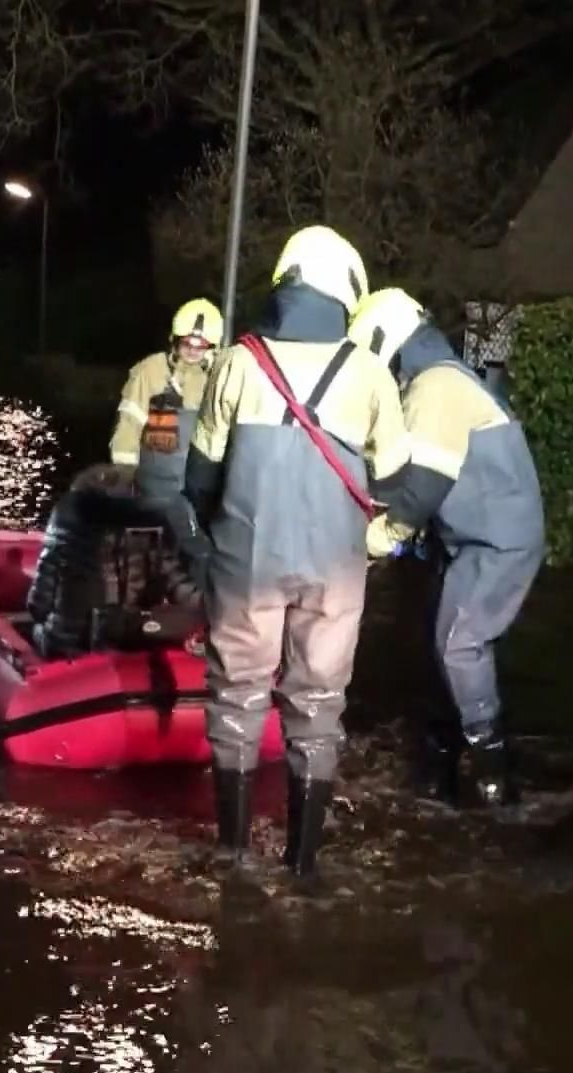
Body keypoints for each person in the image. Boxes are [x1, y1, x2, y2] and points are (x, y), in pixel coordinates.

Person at [185, 225, 410, 880]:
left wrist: (224, 533)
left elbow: (199, 479)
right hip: (336, 570)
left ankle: (231, 855)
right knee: (318, 704)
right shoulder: (370, 373)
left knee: (237, 698)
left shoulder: (235, 362)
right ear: (345, 290)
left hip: (245, 565)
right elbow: (393, 480)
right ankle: (304, 865)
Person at [351, 288, 546, 809]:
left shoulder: (435, 387)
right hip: (478, 539)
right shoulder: (439, 377)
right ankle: (449, 762)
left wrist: (384, 534)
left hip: (495, 543)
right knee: (444, 643)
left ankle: (493, 779)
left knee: (459, 642)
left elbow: (422, 486)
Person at [25, 463, 204, 660]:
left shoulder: (66, 521)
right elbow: (184, 592)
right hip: (133, 639)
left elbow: (37, 605)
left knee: (37, 630)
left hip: (71, 647)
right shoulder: (153, 526)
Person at [112, 298, 224, 588]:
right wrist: (124, 474)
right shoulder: (150, 371)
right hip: (160, 487)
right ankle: (201, 605)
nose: (193, 352)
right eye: (188, 344)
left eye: (201, 347)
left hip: (202, 486)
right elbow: (128, 425)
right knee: (198, 548)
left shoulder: (220, 377)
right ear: (175, 340)